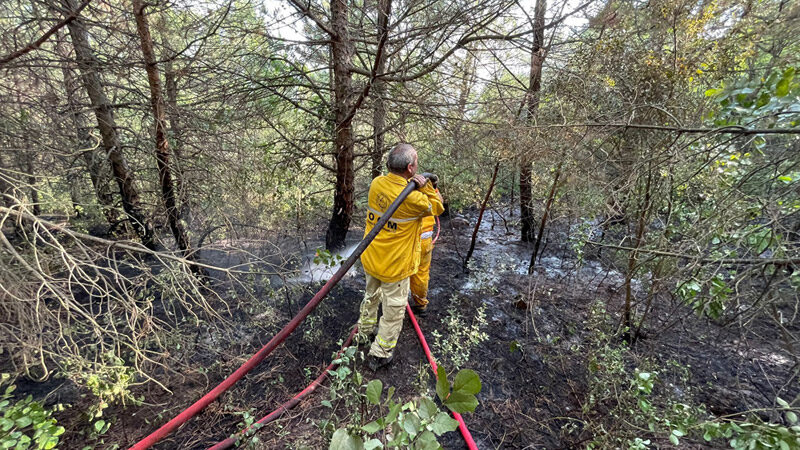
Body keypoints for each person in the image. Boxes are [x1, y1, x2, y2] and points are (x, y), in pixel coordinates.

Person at [357, 143, 444, 371]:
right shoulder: (414, 201)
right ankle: (381, 352)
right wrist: (425, 186)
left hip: (371, 257)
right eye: (415, 164)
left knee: (370, 296)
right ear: (410, 168)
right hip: (394, 267)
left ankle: (364, 333)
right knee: (394, 310)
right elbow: (437, 207)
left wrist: (411, 185)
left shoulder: (377, 184)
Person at [409, 174, 441, 317]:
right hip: (425, 240)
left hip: (410, 238)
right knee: (421, 273)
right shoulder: (429, 191)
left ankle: (397, 300)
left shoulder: (410, 190)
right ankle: (420, 305)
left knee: (403, 270)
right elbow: (439, 204)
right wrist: (432, 188)